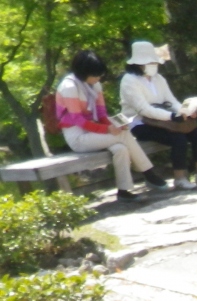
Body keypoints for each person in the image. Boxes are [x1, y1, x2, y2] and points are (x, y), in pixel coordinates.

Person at [57, 50, 165, 203]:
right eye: (95, 75)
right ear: (83, 72)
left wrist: (116, 125)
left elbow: (101, 114)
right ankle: (148, 173)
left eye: (100, 75)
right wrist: (108, 129)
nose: (98, 78)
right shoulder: (69, 87)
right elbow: (79, 120)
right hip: (78, 137)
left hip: (94, 131)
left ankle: (123, 191)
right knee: (123, 136)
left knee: (121, 148)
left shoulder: (95, 85)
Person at [119, 41, 197, 189]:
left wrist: (185, 111)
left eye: (154, 62)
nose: (153, 65)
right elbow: (144, 110)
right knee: (178, 138)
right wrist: (171, 117)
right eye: (149, 62)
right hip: (140, 124)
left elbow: (171, 101)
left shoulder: (159, 79)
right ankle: (179, 178)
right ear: (138, 64)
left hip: (163, 120)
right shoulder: (129, 81)